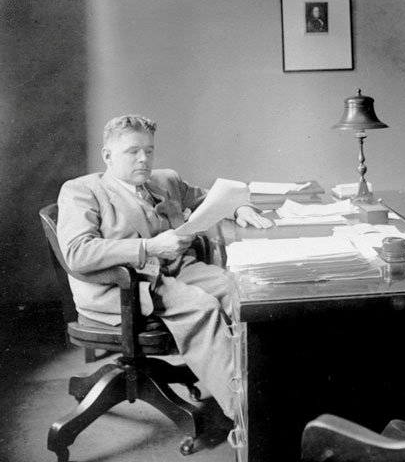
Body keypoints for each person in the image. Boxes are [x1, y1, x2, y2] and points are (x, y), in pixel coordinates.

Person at [56, 114, 273, 420]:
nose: (143, 159)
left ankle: (268, 389)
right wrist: (149, 247)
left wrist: (240, 207)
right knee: (202, 308)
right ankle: (250, 418)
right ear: (108, 156)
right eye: (132, 151)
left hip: (177, 271)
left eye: (149, 150)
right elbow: (77, 252)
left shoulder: (164, 180)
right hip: (126, 288)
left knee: (239, 290)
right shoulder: (82, 191)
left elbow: (206, 198)